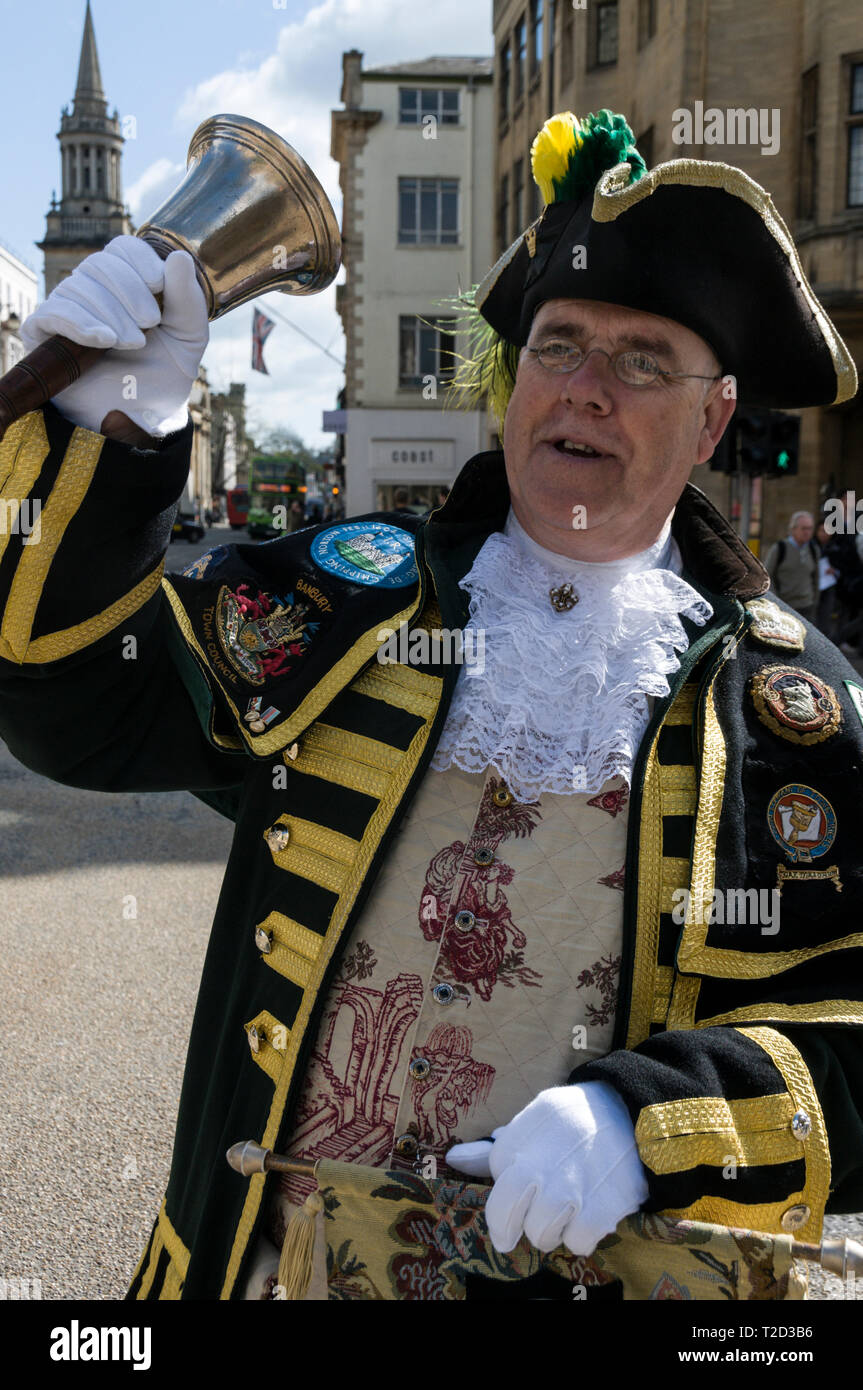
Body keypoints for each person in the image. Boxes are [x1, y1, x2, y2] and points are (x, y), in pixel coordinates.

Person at [1, 109, 861, 1303]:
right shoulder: (351, 596)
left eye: (641, 361)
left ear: (712, 419)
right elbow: (80, 710)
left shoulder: (795, 707)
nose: (585, 391)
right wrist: (121, 433)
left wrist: (649, 1120)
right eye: (557, 346)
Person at [763, 512, 818, 622]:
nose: (807, 532)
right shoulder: (780, 548)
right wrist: (776, 601)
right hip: (784, 606)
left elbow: (816, 578)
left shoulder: (813, 549)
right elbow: (766, 576)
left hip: (807, 606)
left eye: (810, 529)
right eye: (804, 529)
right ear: (793, 529)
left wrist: (814, 601)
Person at [814, 519, 839, 641]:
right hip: (813, 586)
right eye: (821, 530)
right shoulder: (811, 546)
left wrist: (836, 570)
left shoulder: (836, 547)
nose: (824, 534)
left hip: (829, 585)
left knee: (826, 614)